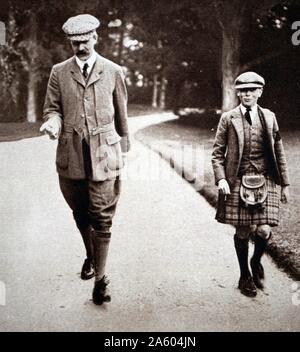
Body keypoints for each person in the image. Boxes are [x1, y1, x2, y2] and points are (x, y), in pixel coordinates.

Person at [40, 14, 130, 305]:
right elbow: (51, 109)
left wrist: (123, 146)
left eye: (84, 41)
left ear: (95, 38)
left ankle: (101, 280)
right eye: (74, 42)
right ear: (70, 42)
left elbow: (122, 113)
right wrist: (52, 123)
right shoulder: (59, 72)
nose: (79, 47)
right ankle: (90, 257)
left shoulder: (113, 70)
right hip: (71, 156)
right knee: (81, 212)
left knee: (102, 216)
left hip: (105, 154)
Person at [211, 71, 290, 297]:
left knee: (264, 230)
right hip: (238, 179)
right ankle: (245, 275)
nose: (247, 94)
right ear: (238, 93)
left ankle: (256, 261)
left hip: (265, 179)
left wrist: (284, 184)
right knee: (243, 230)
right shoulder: (228, 118)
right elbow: (217, 154)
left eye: (252, 90)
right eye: (243, 90)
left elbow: (279, 152)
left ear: (260, 92)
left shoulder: (269, 117)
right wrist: (222, 179)